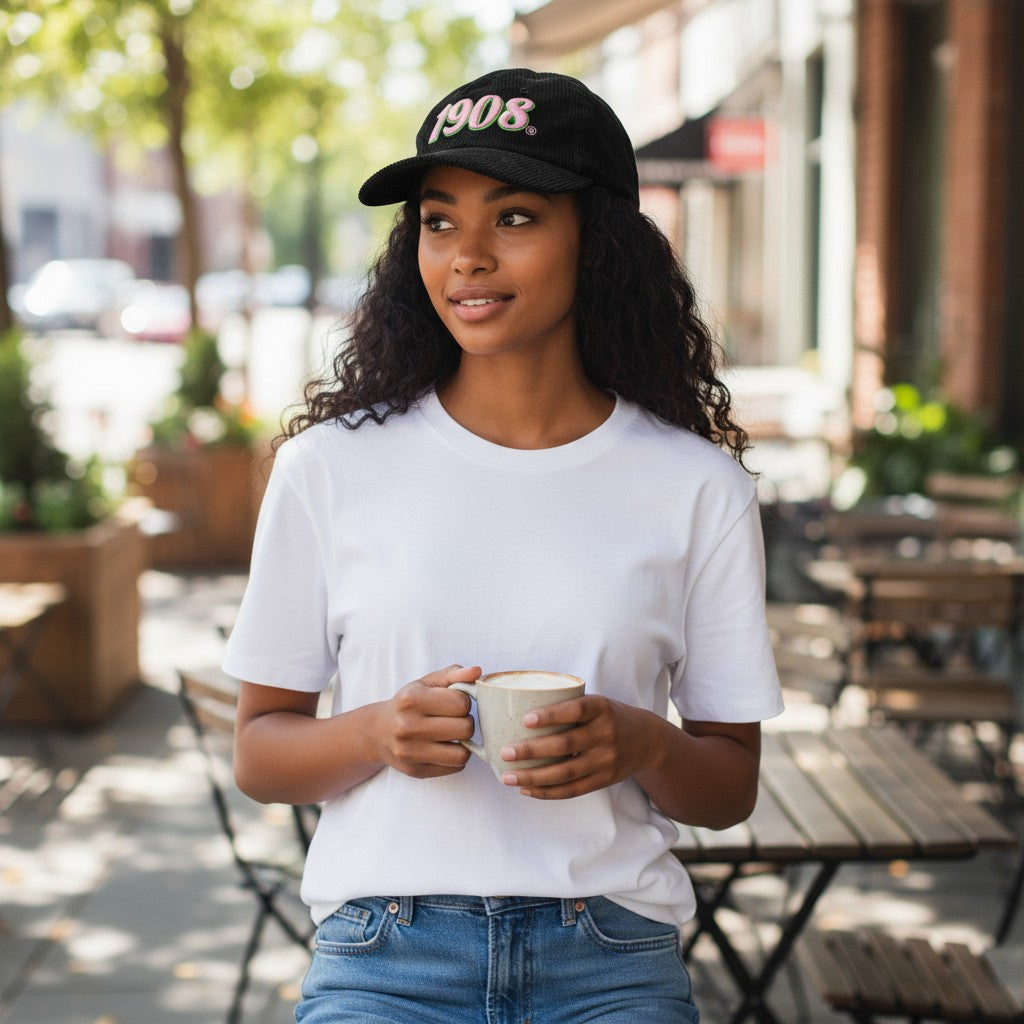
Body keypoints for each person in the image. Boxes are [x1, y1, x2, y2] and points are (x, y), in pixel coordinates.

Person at [225, 67, 783, 1023]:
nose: (466, 256)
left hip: (609, 955)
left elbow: (729, 783)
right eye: (439, 222)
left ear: (596, 241)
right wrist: (374, 733)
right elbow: (260, 753)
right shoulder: (328, 469)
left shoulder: (698, 487)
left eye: (514, 217)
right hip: (385, 958)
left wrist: (638, 740)